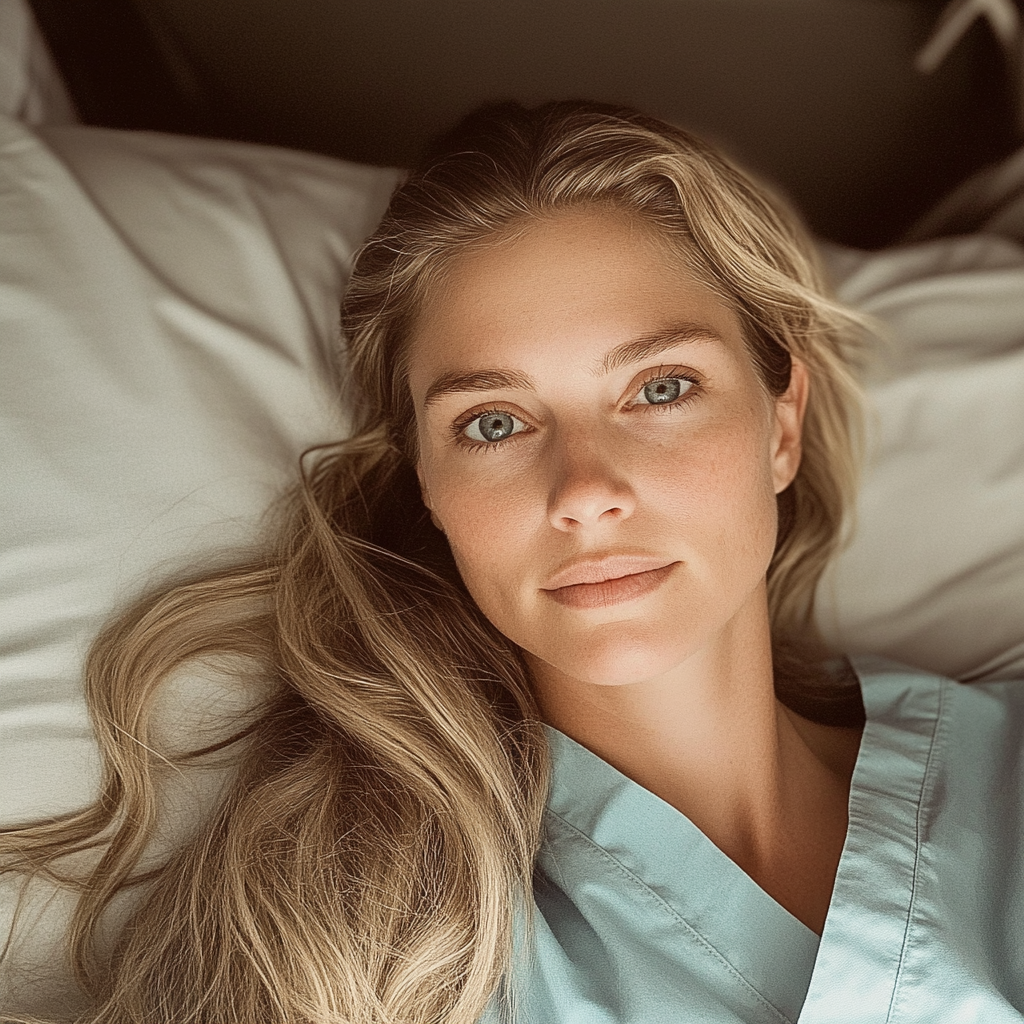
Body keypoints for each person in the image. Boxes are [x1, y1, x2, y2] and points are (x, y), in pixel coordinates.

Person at [3, 99, 1024, 1024]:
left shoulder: (1004, 774)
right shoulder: (362, 942)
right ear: (427, 489)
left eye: (660, 389)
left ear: (781, 423)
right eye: (493, 423)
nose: (584, 488)